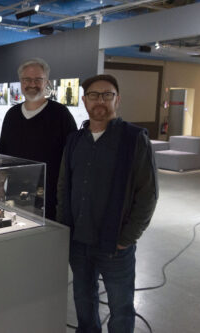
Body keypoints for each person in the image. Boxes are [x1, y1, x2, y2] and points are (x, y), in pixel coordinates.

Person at [56, 74, 158, 332]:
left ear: (117, 99)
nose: (100, 101)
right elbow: (63, 187)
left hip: (115, 244)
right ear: (84, 100)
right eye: (93, 95)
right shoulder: (75, 140)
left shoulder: (134, 139)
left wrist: (128, 237)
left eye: (107, 95)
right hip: (79, 242)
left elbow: (148, 195)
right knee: (83, 300)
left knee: (121, 306)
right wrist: (64, 229)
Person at [0, 58, 77, 221]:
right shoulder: (11, 115)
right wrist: (0, 187)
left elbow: (73, 158)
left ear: (46, 82)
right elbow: (3, 155)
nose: (32, 84)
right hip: (16, 196)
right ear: (20, 82)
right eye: (27, 79)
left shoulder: (61, 115)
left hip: (50, 200)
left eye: (38, 79)